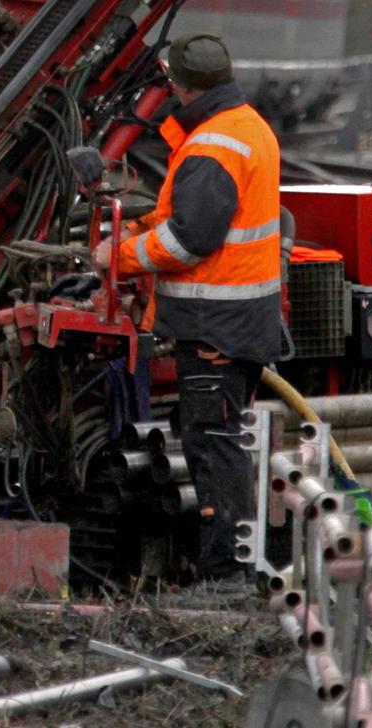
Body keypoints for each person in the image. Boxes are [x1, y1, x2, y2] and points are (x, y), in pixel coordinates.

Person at [96, 33, 282, 583]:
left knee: (215, 451)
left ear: (179, 86)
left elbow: (190, 240)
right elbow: (183, 217)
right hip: (238, 322)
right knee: (219, 444)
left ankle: (227, 579)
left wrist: (121, 258)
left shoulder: (209, 148)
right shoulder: (244, 127)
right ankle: (232, 571)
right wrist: (133, 229)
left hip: (215, 328)